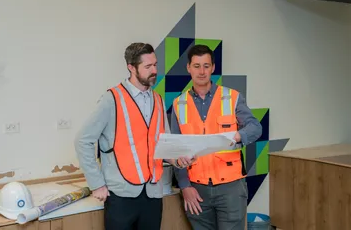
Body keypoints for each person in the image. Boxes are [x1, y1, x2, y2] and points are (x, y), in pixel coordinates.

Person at [74, 42, 194, 230]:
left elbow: (162, 144)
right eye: (147, 67)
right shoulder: (111, 99)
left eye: (155, 64)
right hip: (121, 196)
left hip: (153, 193)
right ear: (131, 67)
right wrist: (96, 184)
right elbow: (83, 140)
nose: (154, 70)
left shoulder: (158, 100)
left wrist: (178, 160)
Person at [171, 44, 262, 230]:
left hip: (231, 188)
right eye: (196, 66)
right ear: (188, 68)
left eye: (206, 65)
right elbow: (176, 148)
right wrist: (184, 186)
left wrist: (238, 135)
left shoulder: (231, 97)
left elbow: (255, 127)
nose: (202, 71)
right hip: (197, 189)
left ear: (213, 67)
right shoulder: (179, 104)